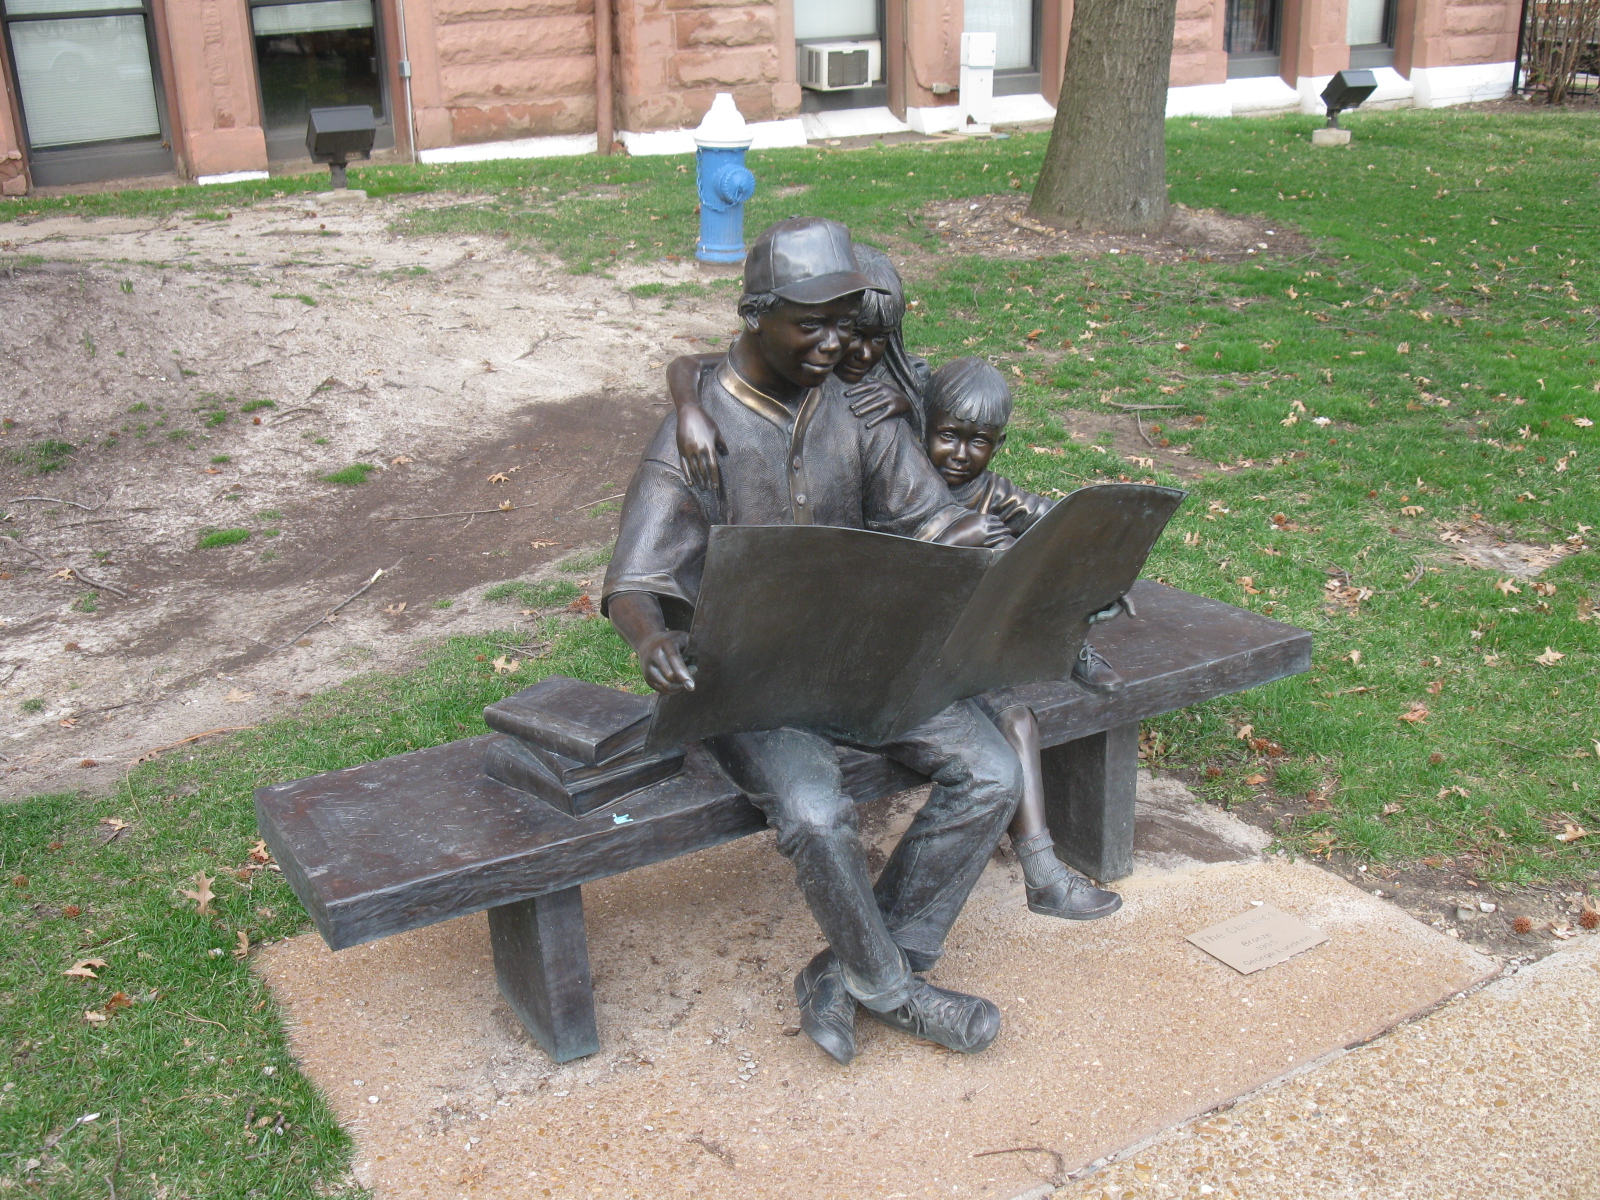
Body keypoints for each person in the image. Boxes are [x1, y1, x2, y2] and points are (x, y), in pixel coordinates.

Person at [603, 217, 1022, 1067]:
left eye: (847, 322)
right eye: (814, 324)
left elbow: (930, 515)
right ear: (757, 314)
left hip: (863, 660)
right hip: (749, 683)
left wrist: (987, 549)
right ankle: (896, 989)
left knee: (992, 771)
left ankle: (848, 971)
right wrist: (650, 640)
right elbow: (633, 583)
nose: (837, 343)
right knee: (815, 811)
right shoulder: (699, 430)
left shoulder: (855, 413)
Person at [918, 357, 1125, 921]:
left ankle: (1043, 875)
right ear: (924, 426)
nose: (960, 454)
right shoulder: (903, 485)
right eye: (948, 437)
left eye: (978, 442)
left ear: (998, 444)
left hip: (972, 655)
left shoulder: (993, 493)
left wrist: (1097, 584)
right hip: (911, 658)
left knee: (1018, 720)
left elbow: (1062, 529)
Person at [665, 244, 925, 490]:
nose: (864, 354)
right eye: (856, 333)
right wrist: (689, 408)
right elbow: (689, 363)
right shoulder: (783, 362)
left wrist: (908, 406)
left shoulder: (900, 379)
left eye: (880, 337)